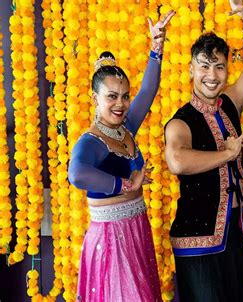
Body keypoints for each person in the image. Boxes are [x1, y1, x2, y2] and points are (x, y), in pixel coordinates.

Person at [68, 11, 175, 302]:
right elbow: (76, 174)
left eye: (125, 96)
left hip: (136, 230)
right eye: (111, 97)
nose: (121, 103)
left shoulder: (125, 128)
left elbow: (149, 90)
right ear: (95, 98)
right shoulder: (91, 142)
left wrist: (157, 46)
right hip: (110, 239)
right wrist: (127, 184)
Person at [163, 1, 243, 301]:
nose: (212, 74)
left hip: (236, 233)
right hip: (197, 240)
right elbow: (177, 160)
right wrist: (226, 155)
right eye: (204, 66)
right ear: (191, 69)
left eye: (219, 66)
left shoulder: (230, 103)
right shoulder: (181, 121)